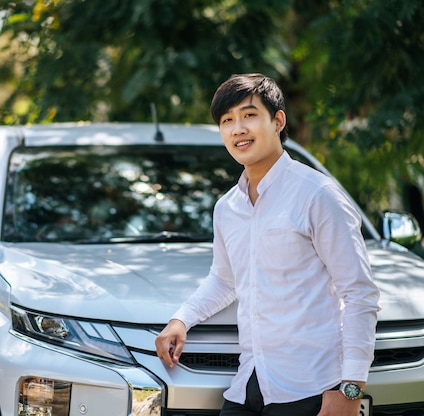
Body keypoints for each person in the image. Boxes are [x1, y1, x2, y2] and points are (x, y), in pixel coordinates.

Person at [155, 73, 380, 416]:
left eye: (249, 115)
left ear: (277, 121)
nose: (238, 128)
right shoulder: (227, 208)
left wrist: (350, 390)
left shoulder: (317, 195)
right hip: (251, 384)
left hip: (313, 388)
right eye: (227, 121)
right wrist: (181, 320)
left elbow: (359, 292)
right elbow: (225, 280)